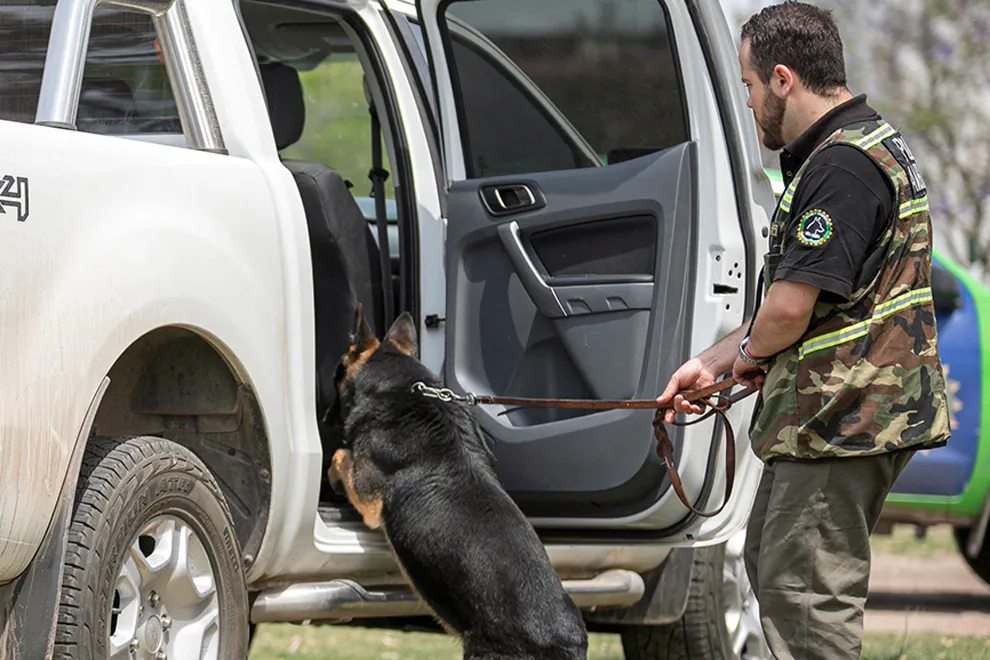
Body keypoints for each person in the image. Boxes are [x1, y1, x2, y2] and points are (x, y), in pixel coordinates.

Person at [657, 2, 951, 658]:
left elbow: (789, 311)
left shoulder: (841, 166)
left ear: (784, 78)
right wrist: (715, 361)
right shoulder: (861, 146)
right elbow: (810, 307)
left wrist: (746, 356)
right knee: (773, 563)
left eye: (750, 85)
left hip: (843, 416)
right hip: (836, 411)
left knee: (807, 600)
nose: (750, 99)